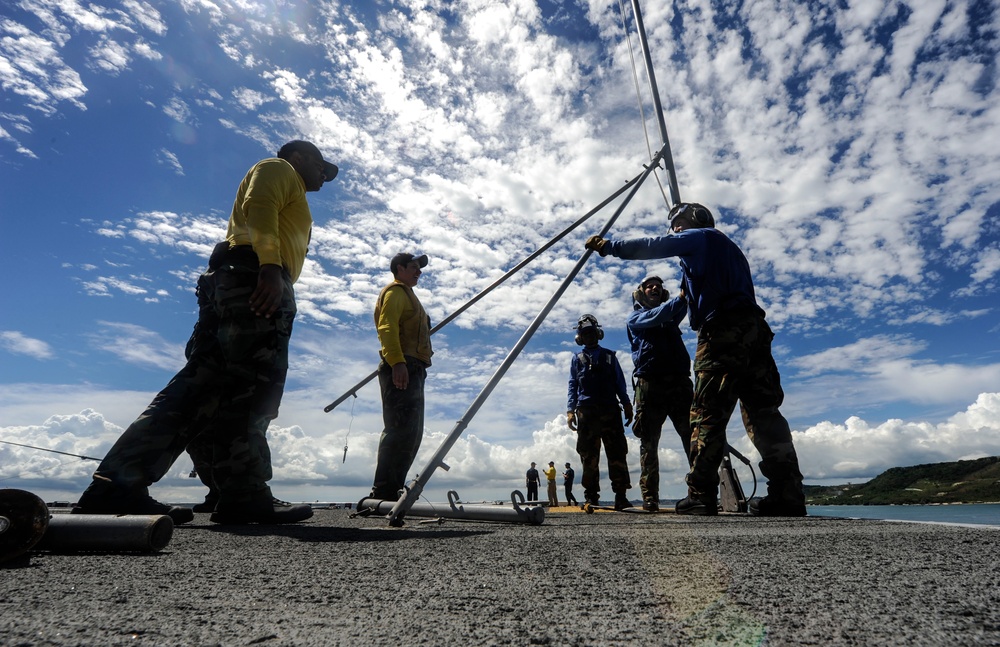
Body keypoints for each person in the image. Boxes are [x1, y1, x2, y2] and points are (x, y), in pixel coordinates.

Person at [74, 140, 338, 525]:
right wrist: (268, 266)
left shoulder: (289, 184)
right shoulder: (280, 170)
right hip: (254, 278)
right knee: (252, 387)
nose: (323, 177)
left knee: (202, 387)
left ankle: (118, 484)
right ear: (297, 158)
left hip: (236, 279)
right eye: (320, 167)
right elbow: (259, 206)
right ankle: (243, 493)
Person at [585, 202, 807, 517]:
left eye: (676, 223)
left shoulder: (702, 237)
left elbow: (654, 246)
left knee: (707, 414)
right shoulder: (730, 252)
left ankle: (701, 494)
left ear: (695, 220)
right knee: (763, 413)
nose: (673, 230)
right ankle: (788, 494)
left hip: (721, 333)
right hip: (754, 330)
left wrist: (610, 247)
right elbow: (684, 303)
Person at [626, 275, 694, 512]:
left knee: (693, 437)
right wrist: (680, 298)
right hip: (649, 385)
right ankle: (650, 497)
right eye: (649, 286)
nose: (654, 287)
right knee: (649, 442)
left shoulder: (671, 315)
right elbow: (662, 313)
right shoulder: (636, 318)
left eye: (658, 286)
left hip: (679, 383)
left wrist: (689, 281)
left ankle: (699, 493)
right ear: (641, 292)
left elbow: (684, 303)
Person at [368, 252, 433, 501]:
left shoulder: (410, 296)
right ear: (399, 268)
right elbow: (387, 328)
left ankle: (392, 489)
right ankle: (383, 491)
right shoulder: (395, 292)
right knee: (399, 428)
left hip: (415, 367)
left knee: (412, 431)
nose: (419, 271)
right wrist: (397, 362)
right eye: (414, 267)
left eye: (419, 268)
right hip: (402, 365)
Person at [566, 314, 634, 511]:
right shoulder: (576, 359)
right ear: (580, 337)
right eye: (585, 333)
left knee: (617, 453)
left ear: (598, 334)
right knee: (588, 456)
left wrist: (627, 404)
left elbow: (619, 382)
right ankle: (591, 497)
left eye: (592, 333)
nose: (589, 336)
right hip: (586, 413)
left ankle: (621, 496)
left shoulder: (610, 356)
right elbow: (572, 386)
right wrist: (570, 410)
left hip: (611, 410)